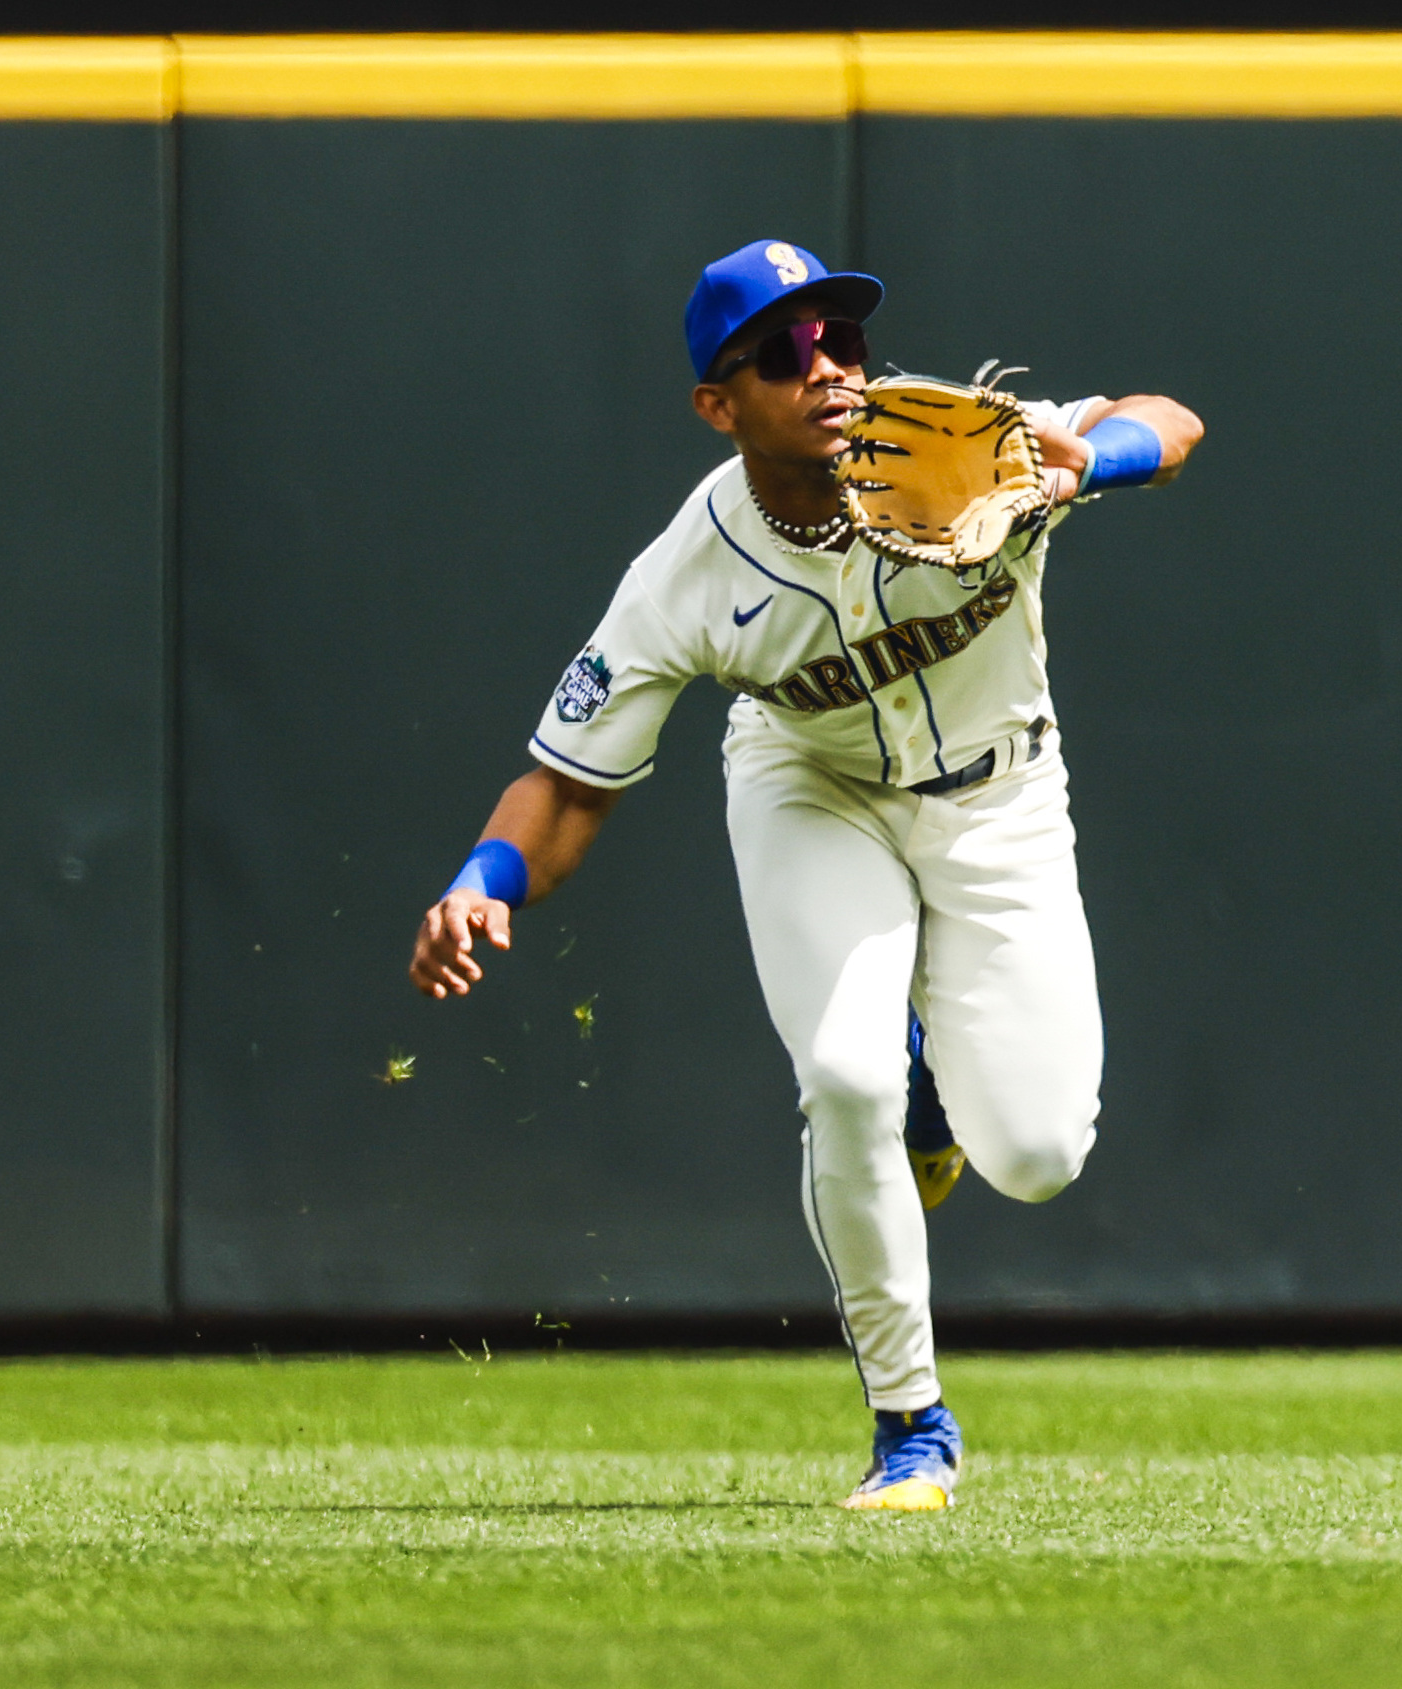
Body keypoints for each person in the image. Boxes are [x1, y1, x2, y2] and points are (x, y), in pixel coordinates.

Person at [405, 238, 1204, 1510]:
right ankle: (912, 1425)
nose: (825, 366)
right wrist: (485, 876)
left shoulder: (961, 439)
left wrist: (1086, 456)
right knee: (842, 1073)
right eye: (781, 354)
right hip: (811, 788)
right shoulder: (686, 573)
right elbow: (567, 783)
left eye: (840, 338)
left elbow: (1171, 419)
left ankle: (938, 1100)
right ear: (718, 408)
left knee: (1041, 1151)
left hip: (1002, 794)